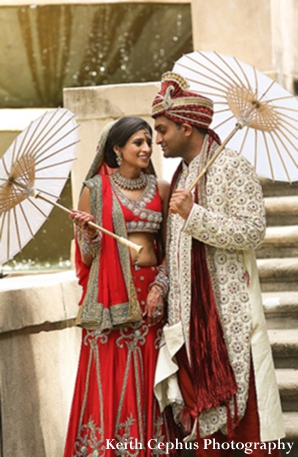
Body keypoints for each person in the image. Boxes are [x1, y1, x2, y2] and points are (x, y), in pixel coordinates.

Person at [151, 73, 285, 456]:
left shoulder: (232, 167)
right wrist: (163, 287)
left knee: (245, 426)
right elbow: (174, 250)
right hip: (188, 325)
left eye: (162, 130)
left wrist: (195, 215)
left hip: (228, 320)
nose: (158, 139)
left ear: (187, 127)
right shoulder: (180, 175)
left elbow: (253, 232)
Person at [63, 116, 176, 456]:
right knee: (111, 377)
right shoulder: (94, 191)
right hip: (112, 298)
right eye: (138, 143)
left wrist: (162, 286)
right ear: (117, 149)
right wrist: (90, 232)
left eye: (147, 141)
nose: (146, 147)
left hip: (151, 296)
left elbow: (171, 249)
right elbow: (88, 256)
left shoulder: (162, 188)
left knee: (148, 379)